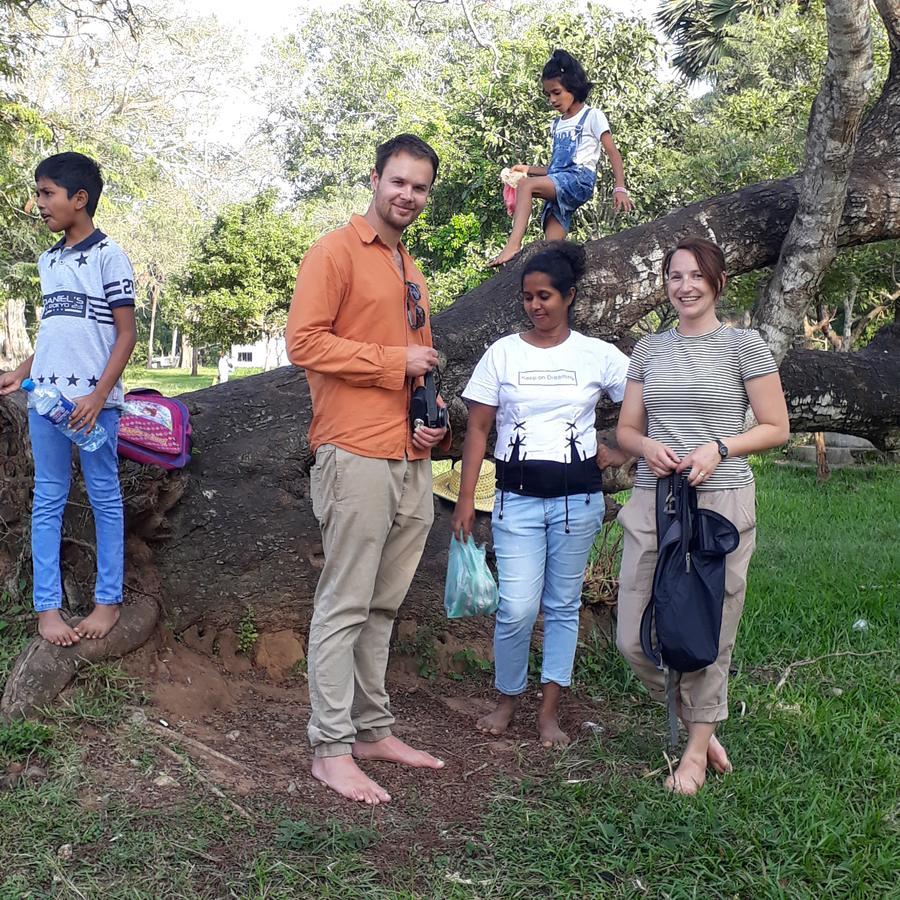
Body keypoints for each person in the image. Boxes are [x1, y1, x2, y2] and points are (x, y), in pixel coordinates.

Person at [285, 134, 450, 805]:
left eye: (419, 187)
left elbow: (416, 361)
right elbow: (304, 342)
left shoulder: (410, 267)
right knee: (345, 602)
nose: (407, 195)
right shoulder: (335, 252)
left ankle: (371, 730)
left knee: (383, 605)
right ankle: (329, 748)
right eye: (398, 182)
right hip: (352, 452)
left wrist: (427, 418)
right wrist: (393, 362)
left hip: (409, 455)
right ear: (376, 178)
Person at [615, 236, 789, 795]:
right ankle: (702, 721)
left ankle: (692, 755)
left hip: (720, 502)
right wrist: (647, 450)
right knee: (635, 637)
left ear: (716, 281)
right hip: (656, 500)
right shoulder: (648, 349)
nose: (684, 286)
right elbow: (626, 429)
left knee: (710, 628)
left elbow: (775, 427)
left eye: (695, 275)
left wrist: (720, 447)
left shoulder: (745, 347)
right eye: (674, 276)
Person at [450, 241, 629, 747]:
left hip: (578, 503)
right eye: (528, 297)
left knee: (562, 606)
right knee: (516, 608)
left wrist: (619, 447)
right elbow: (479, 430)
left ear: (569, 296)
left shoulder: (597, 355)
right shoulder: (503, 354)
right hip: (517, 501)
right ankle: (507, 700)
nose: (536, 306)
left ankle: (548, 713)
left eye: (545, 296)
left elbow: (646, 398)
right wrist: (467, 499)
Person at [0, 152, 137, 647]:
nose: (39, 203)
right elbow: (55, 332)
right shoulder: (49, 260)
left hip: (96, 408)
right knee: (49, 498)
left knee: (105, 497)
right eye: (38, 192)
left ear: (79, 199)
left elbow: (126, 335)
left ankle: (108, 601)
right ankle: (48, 608)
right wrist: (20, 372)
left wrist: (99, 397)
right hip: (48, 405)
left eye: (47, 193)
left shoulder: (109, 257)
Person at [489, 49, 633, 268]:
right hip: (561, 182)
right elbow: (555, 170)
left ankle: (513, 245)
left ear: (572, 87)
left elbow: (612, 152)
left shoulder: (591, 116)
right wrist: (526, 169)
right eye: (548, 95)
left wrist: (620, 187)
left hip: (578, 180)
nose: (552, 100)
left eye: (556, 92)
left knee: (526, 187)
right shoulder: (556, 124)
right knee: (552, 249)